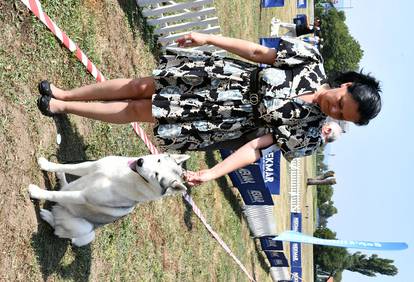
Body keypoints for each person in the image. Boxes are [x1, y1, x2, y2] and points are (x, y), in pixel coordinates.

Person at [36, 32, 381, 186]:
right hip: (219, 78)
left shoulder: (308, 136)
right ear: (346, 85)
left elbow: (256, 148)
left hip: (219, 118)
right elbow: (259, 54)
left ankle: (62, 107)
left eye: (339, 115)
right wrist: (210, 39)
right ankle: (65, 93)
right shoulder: (310, 61)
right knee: (139, 86)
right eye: (340, 102)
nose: (332, 109)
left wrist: (212, 174)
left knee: (137, 111)